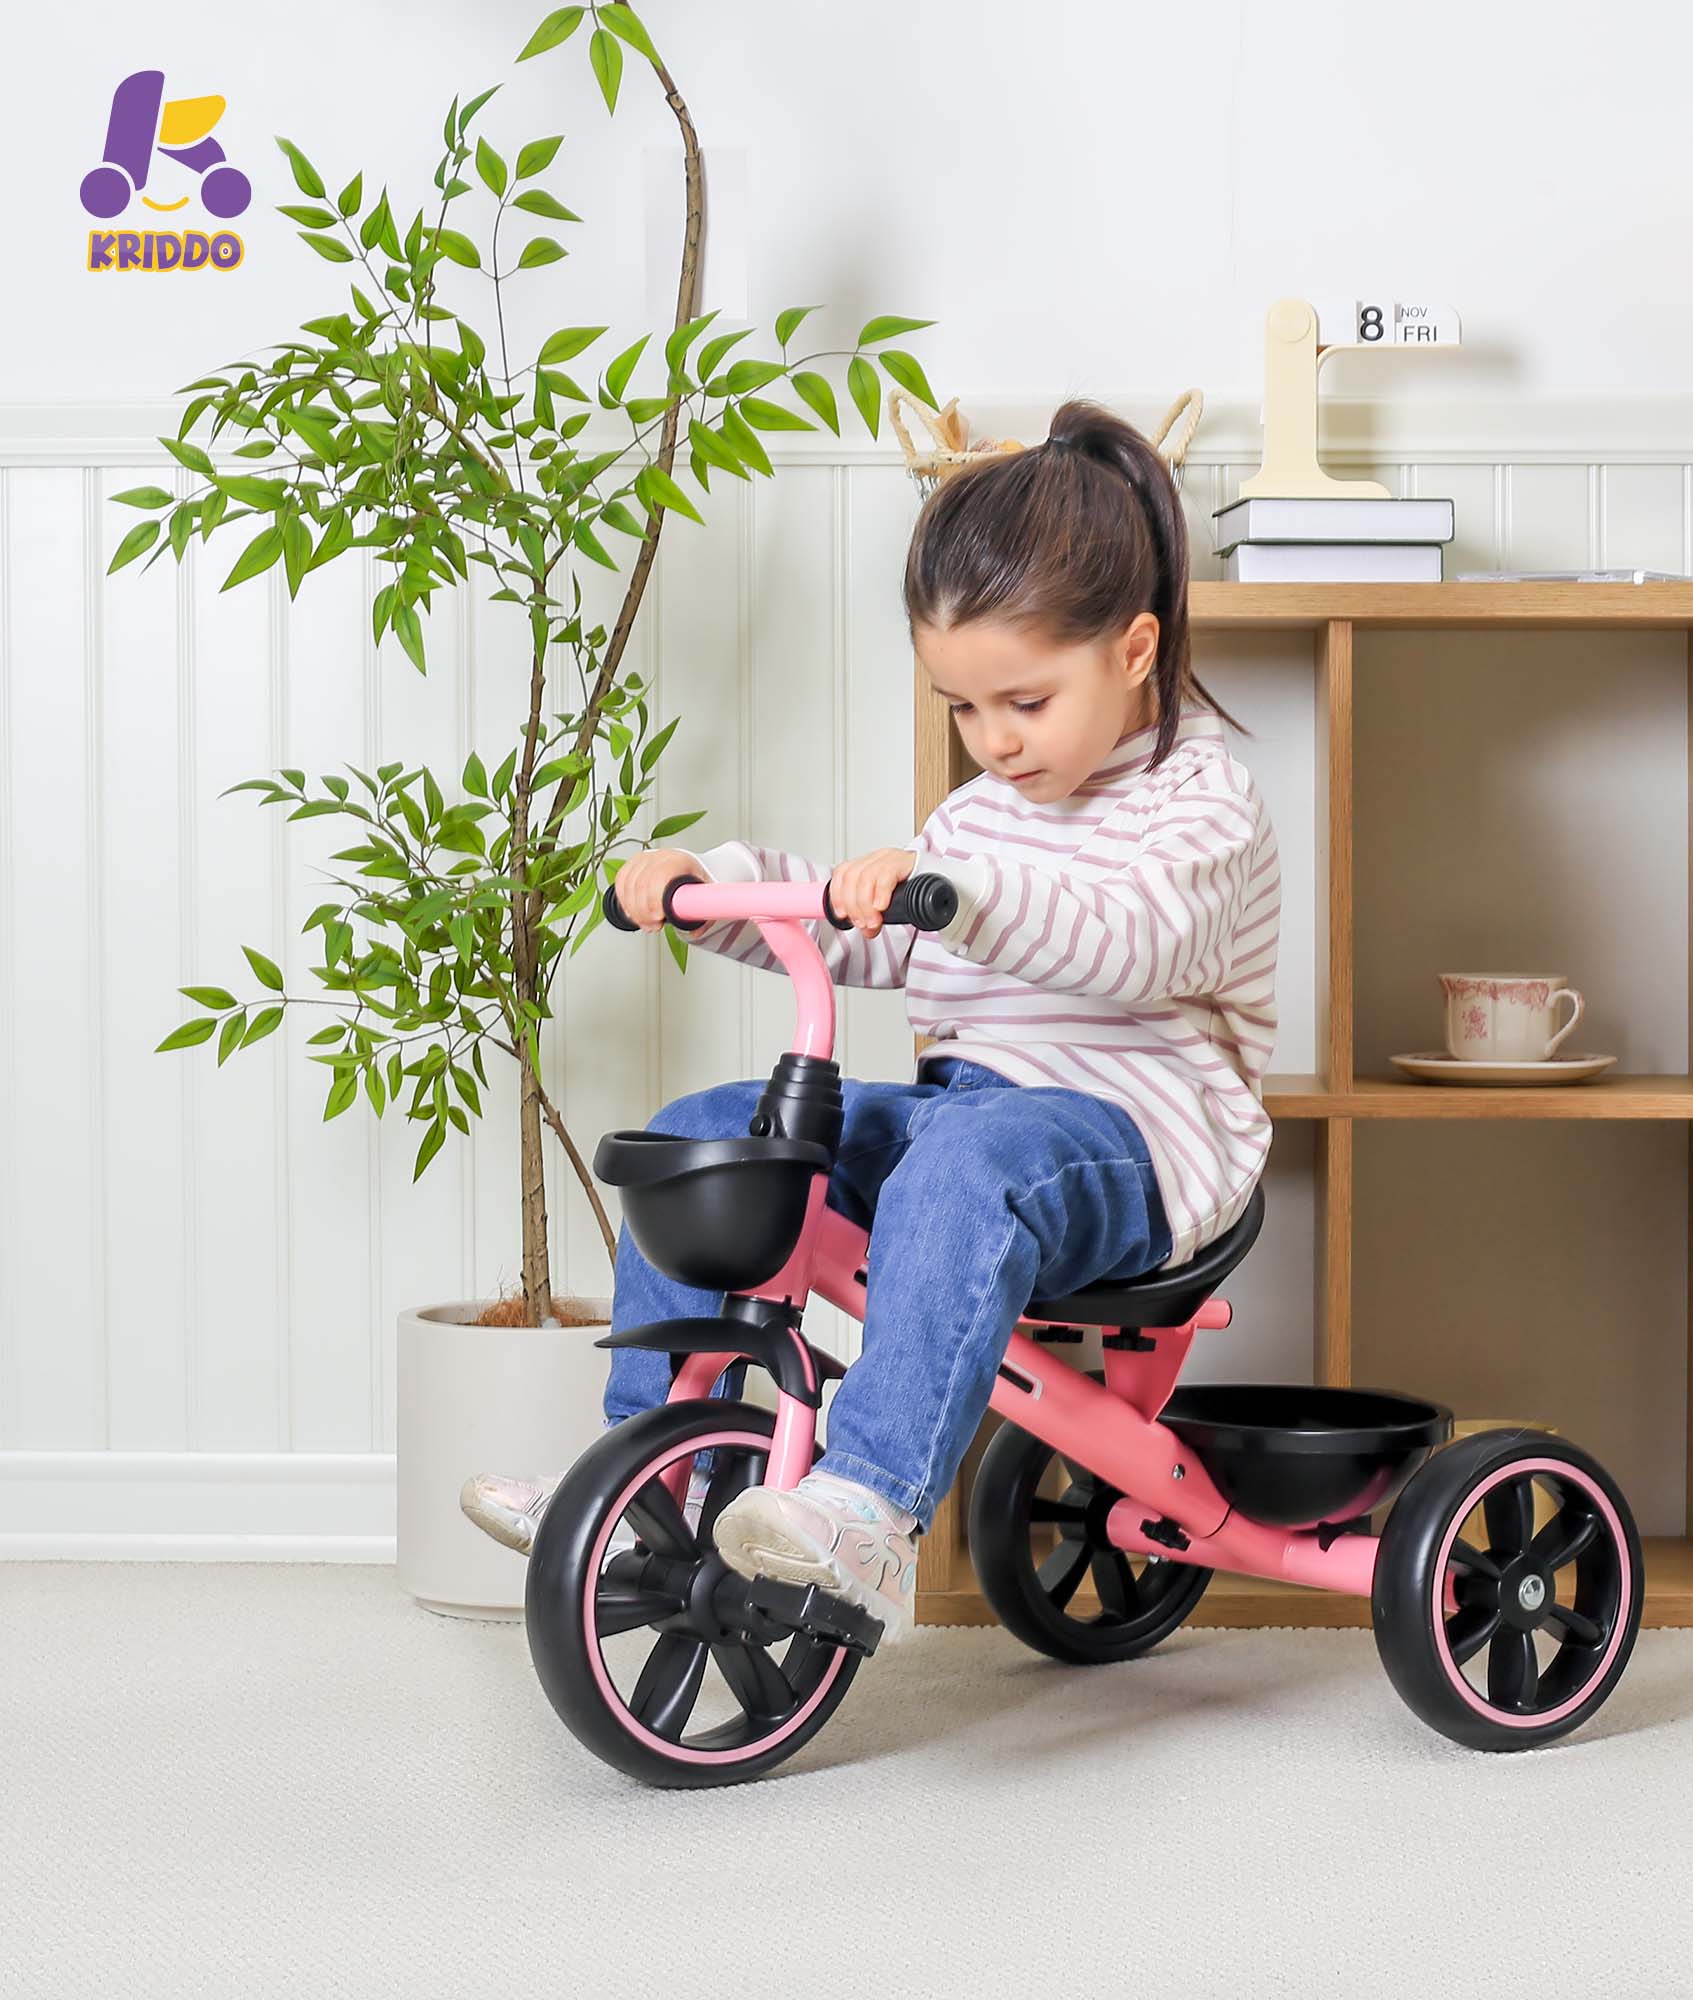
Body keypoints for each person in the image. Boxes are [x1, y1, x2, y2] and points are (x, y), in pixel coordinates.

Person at [461, 398, 1280, 1643]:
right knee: (707, 1130)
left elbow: (1135, 944)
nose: (992, 742)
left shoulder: (1201, 799)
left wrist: (969, 894)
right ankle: (643, 1475)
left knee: (964, 1159)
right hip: (970, 1119)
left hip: (1139, 1145)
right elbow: (867, 927)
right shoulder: (983, 812)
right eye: (961, 709)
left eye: (1022, 701)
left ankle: (870, 1499)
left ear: (1130, 650)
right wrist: (710, 886)